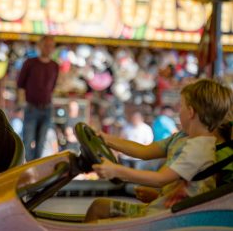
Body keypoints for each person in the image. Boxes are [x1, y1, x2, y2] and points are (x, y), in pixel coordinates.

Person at [84, 78, 233, 223]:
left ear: (191, 112)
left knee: (98, 208)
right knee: (99, 206)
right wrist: (105, 139)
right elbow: (144, 151)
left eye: (181, 106)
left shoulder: (198, 149)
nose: (178, 111)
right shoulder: (184, 138)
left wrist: (117, 171)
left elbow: (161, 178)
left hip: (169, 219)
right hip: (164, 210)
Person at [17, 35, 59, 161]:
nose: (49, 49)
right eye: (46, 45)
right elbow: (20, 85)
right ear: (40, 46)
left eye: (51, 46)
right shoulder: (30, 63)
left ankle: (35, 171)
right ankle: (26, 170)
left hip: (47, 107)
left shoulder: (54, 66)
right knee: (27, 140)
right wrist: (21, 105)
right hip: (31, 107)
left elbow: (52, 87)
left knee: (41, 142)